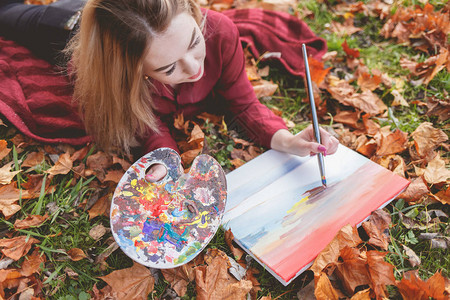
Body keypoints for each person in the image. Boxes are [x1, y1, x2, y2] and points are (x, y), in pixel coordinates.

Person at [0, 0, 339, 182]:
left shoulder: (220, 31)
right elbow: (142, 122)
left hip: (118, 12)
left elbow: (243, 103)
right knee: (8, 14)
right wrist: (166, 156)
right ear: (134, 71)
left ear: (192, 13)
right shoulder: (109, 73)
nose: (194, 69)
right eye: (167, 68)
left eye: (194, 43)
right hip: (60, 26)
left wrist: (287, 140)